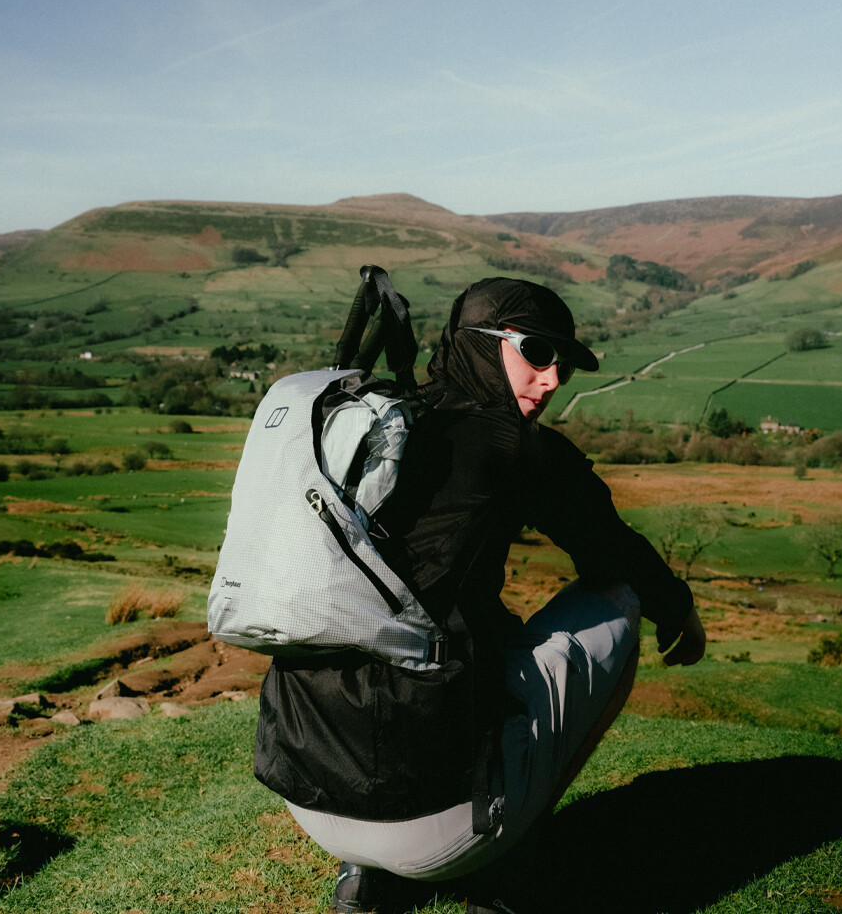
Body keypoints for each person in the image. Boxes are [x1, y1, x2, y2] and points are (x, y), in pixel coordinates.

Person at [253, 277, 706, 913]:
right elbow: (613, 552)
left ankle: (364, 875)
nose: (551, 381)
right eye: (538, 354)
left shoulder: (370, 427)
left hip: (308, 796)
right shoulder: (517, 448)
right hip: (439, 831)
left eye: (563, 366)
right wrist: (677, 606)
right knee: (621, 601)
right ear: (480, 346)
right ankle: (507, 860)